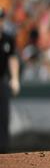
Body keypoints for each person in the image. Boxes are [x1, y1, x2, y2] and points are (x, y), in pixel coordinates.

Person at [0, 8, 20, 153]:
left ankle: (3, 152)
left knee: (4, 116)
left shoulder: (8, 38)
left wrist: (15, 79)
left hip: (2, 80)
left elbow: (12, 58)